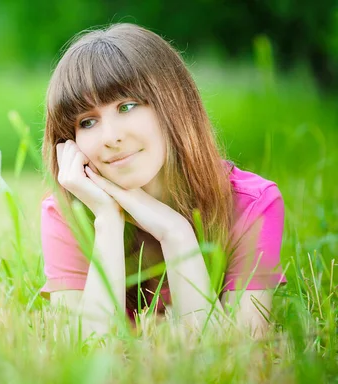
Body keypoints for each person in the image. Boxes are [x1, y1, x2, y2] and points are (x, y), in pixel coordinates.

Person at [39, 23, 287, 339]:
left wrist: (176, 234)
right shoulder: (68, 211)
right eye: (88, 122)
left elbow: (234, 358)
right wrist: (107, 220)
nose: (111, 137)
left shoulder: (251, 205)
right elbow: (86, 353)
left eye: (127, 106)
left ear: (173, 104)